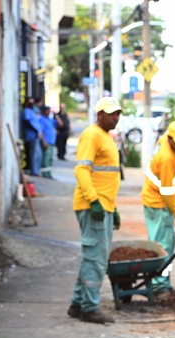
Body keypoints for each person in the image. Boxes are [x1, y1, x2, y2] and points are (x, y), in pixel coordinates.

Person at [67, 97, 123, 325]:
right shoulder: (91, 135)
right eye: (111, 114)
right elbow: (82, 171)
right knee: (96, 259)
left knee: (93, 256)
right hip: (93, 207)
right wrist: (94, 201)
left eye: (118, 114)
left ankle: (77, 303)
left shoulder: (106, 137)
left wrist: (113, 207)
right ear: (99, 115)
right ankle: (89, 308)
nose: (115, 118)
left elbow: (105, 175)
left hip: (103, 205)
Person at [141, 120, 175, 297]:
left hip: (159, 201)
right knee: (162, 246)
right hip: (159, 204)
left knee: (167, 244)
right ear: (171, 139)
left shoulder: (167, 139)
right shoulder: (166, 159)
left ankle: (162, 281)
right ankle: (159, 285)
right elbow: (169, 197)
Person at [21, 98, 42, 176]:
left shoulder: (32, 111)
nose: (31, 103)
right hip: (31, 135)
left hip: (36, 136)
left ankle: (36, 170)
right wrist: (35, 131)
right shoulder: (26, 111)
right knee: (34, 154)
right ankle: (33, 171)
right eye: (30, 102)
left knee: (38, 154)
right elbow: (27, 121)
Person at [38, 106, 57, 178]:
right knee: (46, 158)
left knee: (50, 158)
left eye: (49, 111)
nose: (49, 112)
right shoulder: (42, 119)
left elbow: (60, 124)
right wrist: (43, 141)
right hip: (46, 141)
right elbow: (41, 131)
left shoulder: (50, 119)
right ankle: (45, 174)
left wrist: (56, 115)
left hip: (52, 141)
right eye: (48, 111)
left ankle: (49, 173)